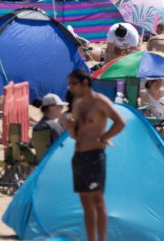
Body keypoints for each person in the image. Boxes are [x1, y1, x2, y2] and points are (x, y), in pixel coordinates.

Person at [65, 68, 126, 241]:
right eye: (69, 83)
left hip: (94, 155)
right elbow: (77, 134)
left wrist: (105, 137)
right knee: (85, 202)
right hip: (79, 156)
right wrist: (71, 128)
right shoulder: (77, 104)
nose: (70, 87)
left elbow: (120, 122)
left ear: (85, 83)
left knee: (97, 200)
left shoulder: (100, 101)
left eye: (73, 83)